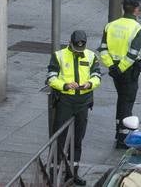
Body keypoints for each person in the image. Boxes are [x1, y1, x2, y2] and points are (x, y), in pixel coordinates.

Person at [47, 30, 102, 185]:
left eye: (82, 47)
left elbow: (97, 76)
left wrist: (90, 84)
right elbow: (51, 78)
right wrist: (64, 85)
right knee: (60, 138)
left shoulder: (91, 56)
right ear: (70, 42)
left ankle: (72, 173)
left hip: (83, 102)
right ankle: (54, 173)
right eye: (77, 47)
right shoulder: (59, 55)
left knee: (78, 139)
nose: (79, 49)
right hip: (65, 101)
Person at [99, 0, 141, 147]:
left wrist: (112, 67)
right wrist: (120, 68)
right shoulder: (137, 29)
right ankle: (123, 137)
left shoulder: (111, 25)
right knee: (127, 102)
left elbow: (103, 49)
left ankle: (118, 130)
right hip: (128, 71)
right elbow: (132, 54)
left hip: (115, 71)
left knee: (121, 99)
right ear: (136, 10)